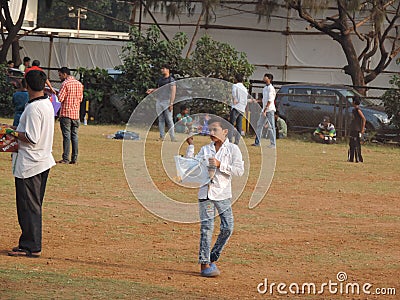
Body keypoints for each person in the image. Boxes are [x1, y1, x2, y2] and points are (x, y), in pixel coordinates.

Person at [4, 70, 56, 258]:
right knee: (30, 205)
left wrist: (12, 132)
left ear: (26, 85)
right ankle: (27, 241)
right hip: (40, 160)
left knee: (29, 206)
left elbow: (31, 137)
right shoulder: (45, 103)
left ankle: (31, 246)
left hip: (31, 163)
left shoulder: (35, 108)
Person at [185, 118, 244, 277]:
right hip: (205, 193)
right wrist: (190, 146)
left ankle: (212, 257)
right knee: (207, 228)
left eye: (215, 130)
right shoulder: (205, 149)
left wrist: (220, 165)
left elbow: (239, 171)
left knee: (228, 227)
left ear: (225, 131)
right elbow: (191, 166)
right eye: (209, 130)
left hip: (223, 193)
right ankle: (204, 265)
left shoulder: (233, 149)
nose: (211, 133)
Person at [57, 67, 84, 164]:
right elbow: (80, 99)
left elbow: (60, 98)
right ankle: (74, 158)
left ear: (65, 74)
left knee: (66, 137)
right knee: (74, 136)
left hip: (66, 114)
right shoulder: (79, 84)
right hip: (76, 114)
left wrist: (56, 93)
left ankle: (65, 158)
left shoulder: (65, 84)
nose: (59, 77)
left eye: (60, 75)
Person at [146, 64, 177, 141]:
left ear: (168, 69)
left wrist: (171, 103)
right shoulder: (160, 79)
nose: (162, 70)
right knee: (161, 119)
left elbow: (173, 92)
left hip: (167, 101)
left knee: (169, 120)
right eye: (161, 68)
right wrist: (152, 90)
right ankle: (162, 136)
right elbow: (159, 89)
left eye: (163, 68)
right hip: (159, 101)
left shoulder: (171, 80)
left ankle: (172, 137)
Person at [252, 73, 276, 148]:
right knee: (259, 125)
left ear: (269, 79)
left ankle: (273, 144)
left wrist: (265, 110)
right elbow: (264, 100)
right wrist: (257, 101)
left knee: (271, 126)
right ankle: (257, 142)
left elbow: (270, 100)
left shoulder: (271, 88)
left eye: (265, 77)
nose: (263, 78)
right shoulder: (265, 88)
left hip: (269, 110)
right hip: (264, 110)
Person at [229, 74, 249, 145]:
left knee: (231, 124)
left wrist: (235, 99)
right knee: (239, 125)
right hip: (242, 108)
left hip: (236, 106)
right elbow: (246, 99)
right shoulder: (245, 88)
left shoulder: (235, 86)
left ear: (236, 79)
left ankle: (230, 140)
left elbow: (234, 93)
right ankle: (237, 141)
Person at [348, 97, 366, 163]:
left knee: (356, 144)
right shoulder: (353, 110)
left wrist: (362, 129)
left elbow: (364, 119)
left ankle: (358, 159)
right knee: (351, 143)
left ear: (355, 102)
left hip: (356, 129)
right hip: (353, 128)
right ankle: (351, 158)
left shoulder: (358, 110)